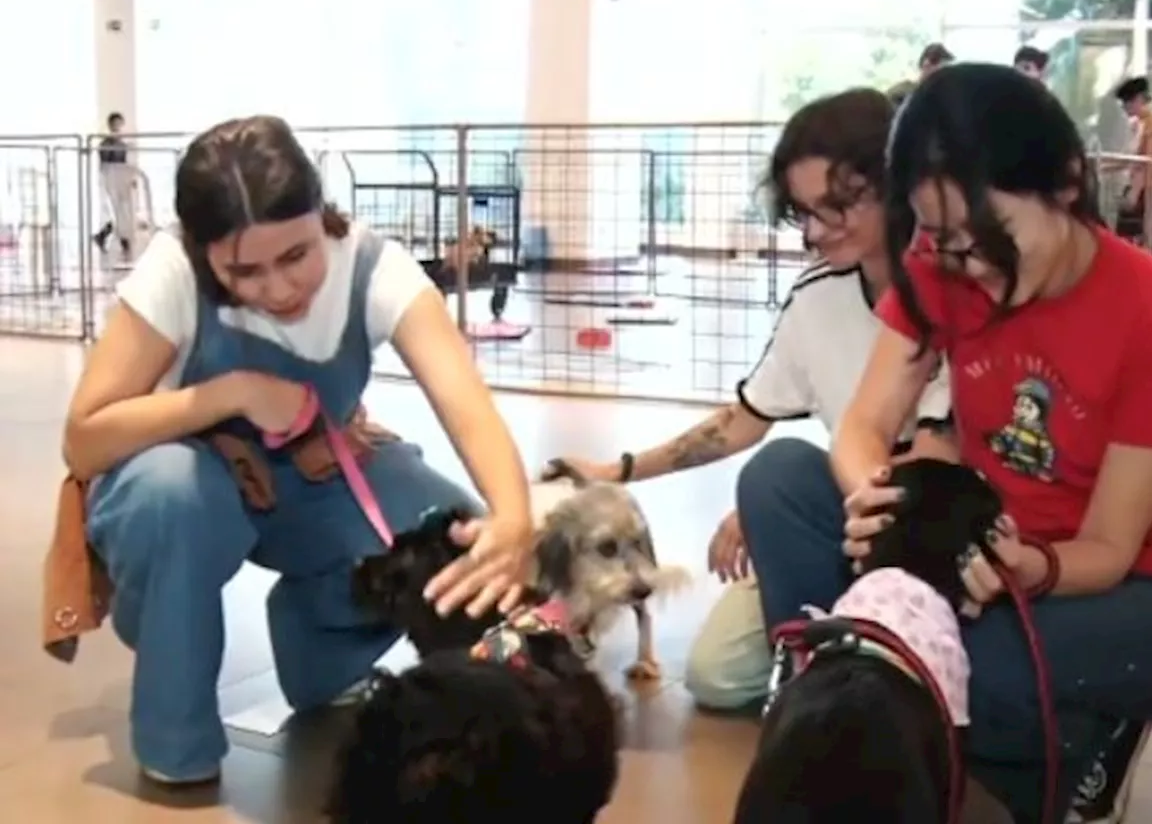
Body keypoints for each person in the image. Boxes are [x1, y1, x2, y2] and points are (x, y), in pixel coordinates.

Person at [735, 64, 1152, 824]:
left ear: (1064, 184)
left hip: (1136, 597)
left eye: (995, 239)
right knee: (781, 479)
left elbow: (1110, 548)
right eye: (947, 245)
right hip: (975, 554)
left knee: (956, 668)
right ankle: (840, 675)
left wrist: (1031, 567)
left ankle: (1081, 729)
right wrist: (874, 496)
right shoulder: (942, 269)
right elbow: (863, 428)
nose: (976, 269)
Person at [61, 115, 534, 786]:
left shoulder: (375, 268)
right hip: (184, 494)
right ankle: (175, 730)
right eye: (243, 272)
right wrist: (233, 392)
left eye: (296, 255)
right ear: (203, 250)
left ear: (323, 214)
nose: (279, 289)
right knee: (174, 489)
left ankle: (322, 656)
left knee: (441, 524)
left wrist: (513, 517)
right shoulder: (172, 270)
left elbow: (466, 404)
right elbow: (83, 440)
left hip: (307, 481)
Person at [550, 88, 954, 712]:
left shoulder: (955, 290)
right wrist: (619, 471)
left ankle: (859, 669)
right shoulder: (818, 295)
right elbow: (743, 421)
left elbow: (935, 459)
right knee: (713, 676)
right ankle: (816, 661)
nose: (817, 230)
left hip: (933, 524)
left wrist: (782, 508)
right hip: (852, 507)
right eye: (803, 212)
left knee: (780, 478)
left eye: (838, 205)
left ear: (894, 182)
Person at [1113, 76, 1152, 264]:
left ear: (1140, 99)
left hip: (1151, 189)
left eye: (1128, 102)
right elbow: (1132, 159)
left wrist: (1134, 192)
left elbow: (1149, 162)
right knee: (1141, 239)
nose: (1125, 107)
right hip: (1143, 188)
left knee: (1146, 240)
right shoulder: (1141, 124)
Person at [94, 111, 137, 256]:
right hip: (111, 179)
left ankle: (108, 236)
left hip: (119, 179)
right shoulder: (106, 144)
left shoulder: (121, 144)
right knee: (117, 212)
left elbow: (124, 164)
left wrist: (129, 179)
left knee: (121, 211)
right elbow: (105, 165)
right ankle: (118, 239)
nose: (119, 127)